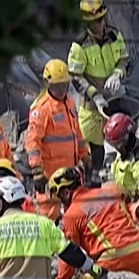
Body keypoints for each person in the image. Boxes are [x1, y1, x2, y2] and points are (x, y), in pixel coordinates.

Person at [68, 0, 129, 171]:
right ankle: (92, 177)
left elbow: (124, 59)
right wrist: (95, 96)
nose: (100, 25)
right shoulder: (80, 46)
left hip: (115, 99)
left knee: (122, 141)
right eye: (96, 22)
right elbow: (76, 76)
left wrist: (117, 74)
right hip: (92, 107)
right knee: (92, 147)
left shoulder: (115, 36)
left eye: (102, 19)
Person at [26, 59, 88, 221]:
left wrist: (84, 154)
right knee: (49, 213)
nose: (61, 90)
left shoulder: (70, 102)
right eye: (57, 86)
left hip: (70, 170)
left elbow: (76, 132)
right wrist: (37, 171)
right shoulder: (42, 109)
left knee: (74, 211)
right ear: (48, 84)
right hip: (50, 172)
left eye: (64, 85)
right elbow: (32, 142)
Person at [104, 113, 139, 199]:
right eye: (113, 145)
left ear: (128, 136)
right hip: (121, 198)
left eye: (118, 144)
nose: (116, 147)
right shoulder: (124, 151)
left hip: (133, 203)